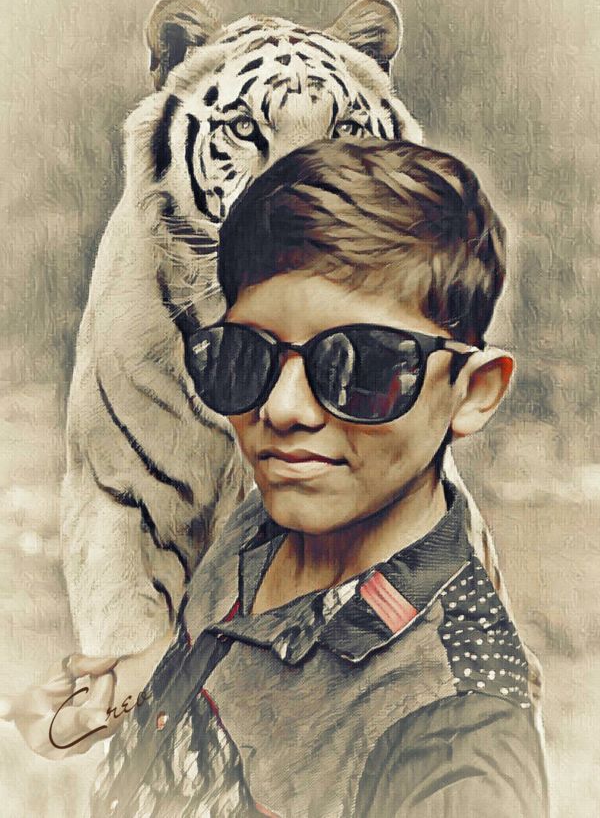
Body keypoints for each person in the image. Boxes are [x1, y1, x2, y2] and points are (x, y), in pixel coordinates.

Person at [97, 138, 547, 816]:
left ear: (473, 390)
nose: (280, 409)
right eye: (244, 356)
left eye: (361, 366)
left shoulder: (458, 743)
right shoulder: (266, 520)